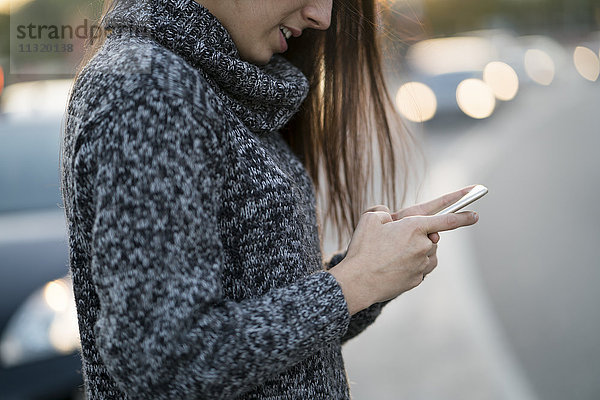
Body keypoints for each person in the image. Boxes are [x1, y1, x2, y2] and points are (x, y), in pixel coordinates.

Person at [59, 0, 479, 398]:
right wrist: (351, 284)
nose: (322, 17)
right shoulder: (150, 88)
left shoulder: (206, 82)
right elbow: (164, 364)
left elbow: (263, 344)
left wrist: (368, 274)